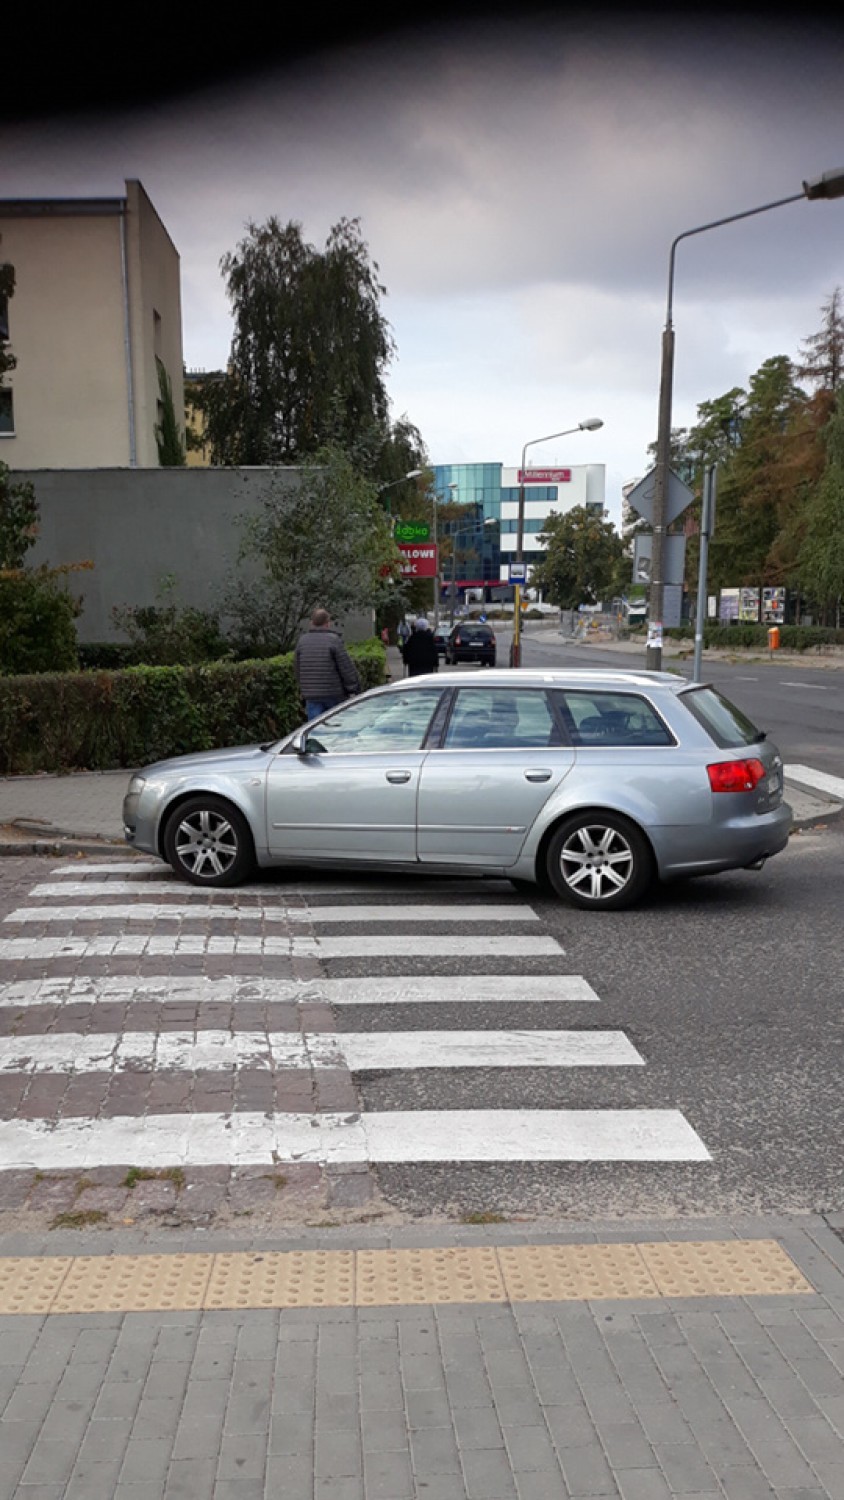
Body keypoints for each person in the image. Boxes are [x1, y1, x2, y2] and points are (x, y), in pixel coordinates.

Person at [295, 607, 361, 721]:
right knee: (334, 728)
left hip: (311, 695)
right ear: (328, 623)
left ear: (311, 623)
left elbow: (297, 668)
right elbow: (345, 668)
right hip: (333, 693)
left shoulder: (302, 641)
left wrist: (303, 688)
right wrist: (354, 689)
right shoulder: (333, 640)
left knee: (315, 730)